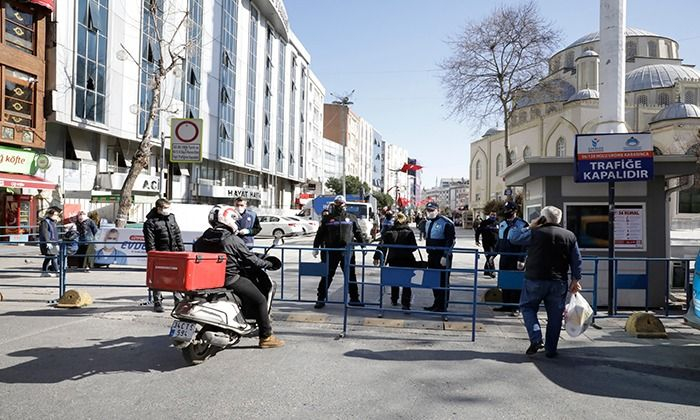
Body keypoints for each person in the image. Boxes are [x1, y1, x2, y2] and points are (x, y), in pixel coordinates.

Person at [193, 205, 284, 348]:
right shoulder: (231, 239)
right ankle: (266, 337)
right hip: (229, 279)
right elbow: (251, 259)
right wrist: (268, 264)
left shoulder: (201, 239)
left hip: (207, 280)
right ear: (227, 219)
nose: (235, 223)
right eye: (234, 220)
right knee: (260, 299)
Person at [509, 206, 582, 358]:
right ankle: (551, 349)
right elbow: (576, 260)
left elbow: (513, 237)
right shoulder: (569, 235)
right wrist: (576, 279)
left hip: (534, 279)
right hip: (558, 281)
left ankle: (536, 338)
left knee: (527, 308)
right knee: (555, 316)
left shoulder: (535, 233)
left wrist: (530, 226)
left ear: (543, 218)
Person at [312, 195, 368, 309]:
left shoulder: (351, 218)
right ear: (334, 204)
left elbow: (358, 232)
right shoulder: (327, 219)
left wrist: (363, 246)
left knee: (351, 275)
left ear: (345, 205)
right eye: (337, 203)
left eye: (341, 203)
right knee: (327, 275)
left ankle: (354, 298)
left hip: (347, 252)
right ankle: (320, 298)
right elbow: (320, 234)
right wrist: (315, 247)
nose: (339, 205)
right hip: (331, 251)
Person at [143, 198, 185, 313]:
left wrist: (181, 251)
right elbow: (149, 242)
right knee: (158, 278)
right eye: (165, 208)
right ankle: (157, 301)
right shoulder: (150, 222)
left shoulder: (171, 217)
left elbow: (177, 235)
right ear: (158, 208)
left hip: (174, 252)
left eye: (168, 207)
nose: (167, 210)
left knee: (176, 278)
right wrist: (153, 255)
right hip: (160, 254)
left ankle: (178, 301)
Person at [373, 212, 417, 310]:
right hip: (407, 259)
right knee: (407, 282)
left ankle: (394, 299)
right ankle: (406, 303)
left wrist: (377, 257)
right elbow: (414, 247)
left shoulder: (389, 232)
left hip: (393, 259)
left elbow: (382, 245)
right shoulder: (409, 232)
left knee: (395, 280)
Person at [495, 200, 529, 315]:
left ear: (515, 211)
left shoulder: (522, 224)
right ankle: (506, 305)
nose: (506, 213)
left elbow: (525, 244)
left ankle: (515, 307)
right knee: (505, 281)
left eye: (509, 211)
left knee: (516, 283)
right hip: (504, 256)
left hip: (516, 257)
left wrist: (522, 259)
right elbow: (499, 241)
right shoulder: (502, 223)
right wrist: (492, 255)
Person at [421, 201, 456, 314]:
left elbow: (450, 241)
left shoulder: (446, 223)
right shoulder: (427, 222)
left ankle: (443, 306)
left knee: (443, 282)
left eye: (432, 210)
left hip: (442, 256)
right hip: (431, 255)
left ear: (438, 210)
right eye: (428, 210)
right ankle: (436, 303)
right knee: (433, 280)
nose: (430, 213)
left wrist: (445, 256)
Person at [475, 212, 499, 278]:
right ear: (489, 215)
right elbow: (478, 231)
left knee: (492, 255)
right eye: (492, 215)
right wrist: (477, 240)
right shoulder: (484, 223)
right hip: (486, 242)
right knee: (489, 255)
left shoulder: (497, 223)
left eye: (494, 215)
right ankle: (492, 271)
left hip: (495, 243)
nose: (493, 216)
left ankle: (486, 270)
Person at [38, 208, 60, 277]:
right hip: (49, 243)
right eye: (55, 214)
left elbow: (55, 233)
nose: (56, 216)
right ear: (50, 215)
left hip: (53, 242)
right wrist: (47, 242)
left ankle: (44, 272)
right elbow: (45, 233)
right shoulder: (45, 222)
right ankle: (57, 272)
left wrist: (56, 243)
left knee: (48, 258)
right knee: (54, 257)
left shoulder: (53, 222)